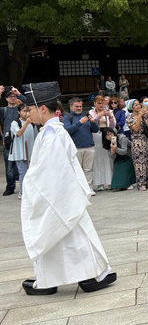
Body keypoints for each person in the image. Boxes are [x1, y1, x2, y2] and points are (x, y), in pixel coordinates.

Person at [20, 81, 117, 296]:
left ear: (42, 109)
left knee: (65, 236)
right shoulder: (52, 132)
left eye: (30, 109)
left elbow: (49, 171)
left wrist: (30, 182)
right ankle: (73, 277)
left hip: (57, 196)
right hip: (61, 195)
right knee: (70, 237)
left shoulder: (52, 134)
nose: (28, 115)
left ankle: (82, 276)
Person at [125, 98, 148, 191]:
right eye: (136, 105)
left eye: (139, 104)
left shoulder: (143, 115)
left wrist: (147, 116)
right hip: (137, 141)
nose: (138, 106)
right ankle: (141, 184)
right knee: (139, 163)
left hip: (147, 140)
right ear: (131, 107)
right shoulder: (129, 117)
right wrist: (139, 117)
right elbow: (136, 129)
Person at [1, 85, 24, 196]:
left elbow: (29, 103)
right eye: (10, 96)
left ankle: (24, 186)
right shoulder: (4, 110)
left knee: (23, 165)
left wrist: (19, 93)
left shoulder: (20, 109)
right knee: (9, 166)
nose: (13, 98)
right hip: (8, 142)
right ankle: (10, 187)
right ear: (6, 99)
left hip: (20, 140)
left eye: (14, 96)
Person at [89, 96, 116, 192]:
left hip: (106, 135)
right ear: (94, 104)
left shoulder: (109, 111)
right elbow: (91, 123)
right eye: (99, 103)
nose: (101, 105)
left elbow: (113, 126)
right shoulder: (91, 113)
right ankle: (99, 183)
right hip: (96, 135)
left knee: (107, 158)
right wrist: (98, 115)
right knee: (97, 158)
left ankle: (108, 181)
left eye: (103, 103)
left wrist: (110, 116)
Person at [9, 104, 36, 200]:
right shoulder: (15, 123)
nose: (27, 113)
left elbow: (36, 137)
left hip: (30, 151)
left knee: (31, 172)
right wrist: (26, 123)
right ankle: (22, 192)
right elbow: (18, 133)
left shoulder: (33, 123)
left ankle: (30, 191)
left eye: (28, 111)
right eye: (24, 111)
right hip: (20, 151)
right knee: (23, 172)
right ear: (19, 112)